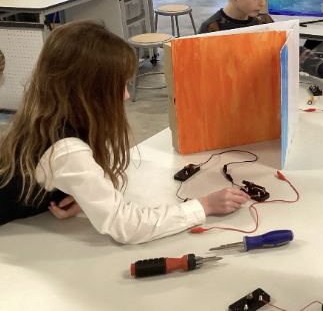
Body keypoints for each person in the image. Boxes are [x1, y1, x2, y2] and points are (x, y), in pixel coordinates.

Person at [0, 21, 250, 244]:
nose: (127, 95)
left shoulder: (46, 115)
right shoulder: (66, 149)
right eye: (120, 86)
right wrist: (204, 206)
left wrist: (81, 192)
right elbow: (126, 226)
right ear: (90, 92)